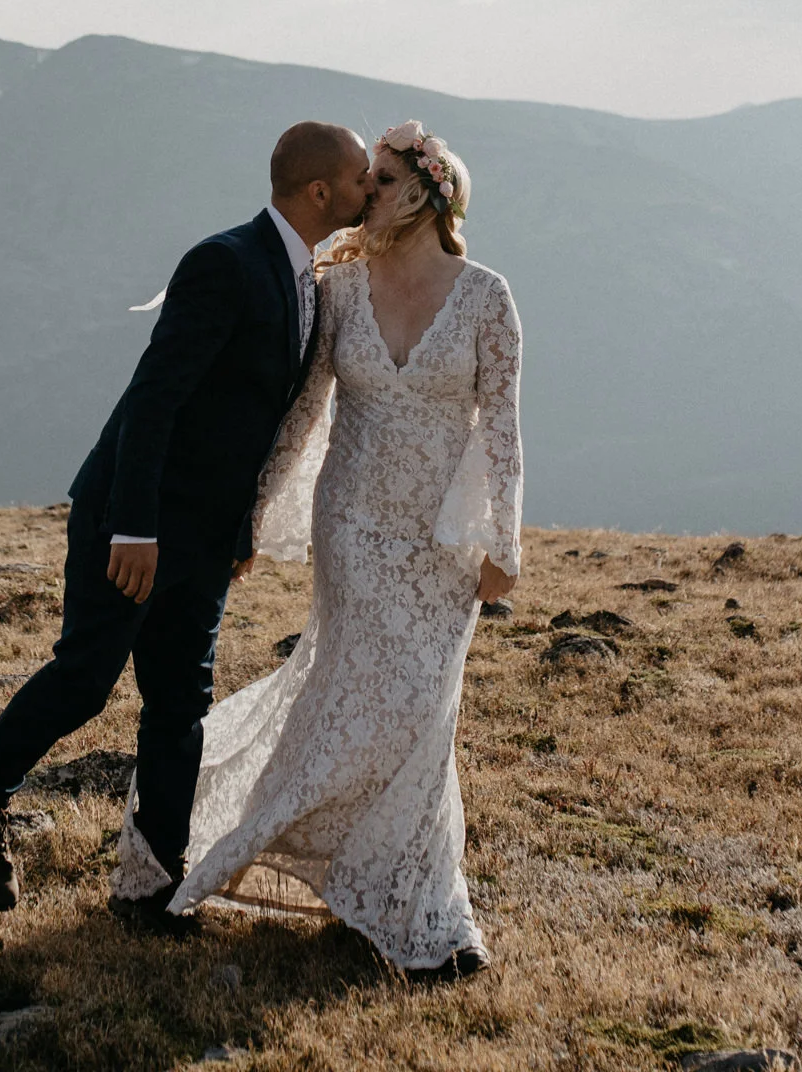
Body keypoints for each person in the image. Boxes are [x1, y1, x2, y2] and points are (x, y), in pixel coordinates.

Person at [113, 117, 522, 978]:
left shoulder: (488, 296)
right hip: (354, 529)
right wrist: (253, 514)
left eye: (375, 180)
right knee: (358, 704)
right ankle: (397, 907)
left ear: (418, 192)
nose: (358, 195)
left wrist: (502, 545)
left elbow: (505, 431)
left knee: (420, 719)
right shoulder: (340, 290)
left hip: (440, 549)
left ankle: (407, 896)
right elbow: (302, 415)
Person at [0, 121, 375, 932]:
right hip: (132, 522)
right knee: (85, 679)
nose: (368, 190)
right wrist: (132, 528)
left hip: (209, 536)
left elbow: (258, 421)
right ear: (321, 192)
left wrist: (242, 528)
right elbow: (154, 398)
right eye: (360, 179)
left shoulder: (311, 279)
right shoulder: (226, 262)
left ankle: (149, 887)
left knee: (181, 705)